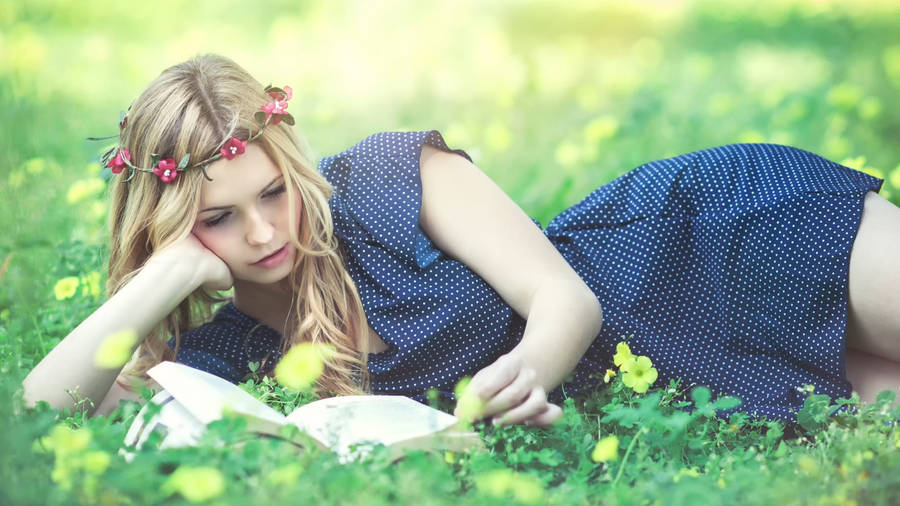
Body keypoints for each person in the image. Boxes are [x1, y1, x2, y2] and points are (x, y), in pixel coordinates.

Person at [22, 54, 900, 427]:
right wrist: (163, 278)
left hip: (702, 244)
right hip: (689, 377)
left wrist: (525, 376)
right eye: (216, 218)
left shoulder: (380, 181)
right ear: (174, 223)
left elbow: (565, 298)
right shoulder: (229, 355)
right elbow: (43, 414)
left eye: (273, 194)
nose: (260, 232)